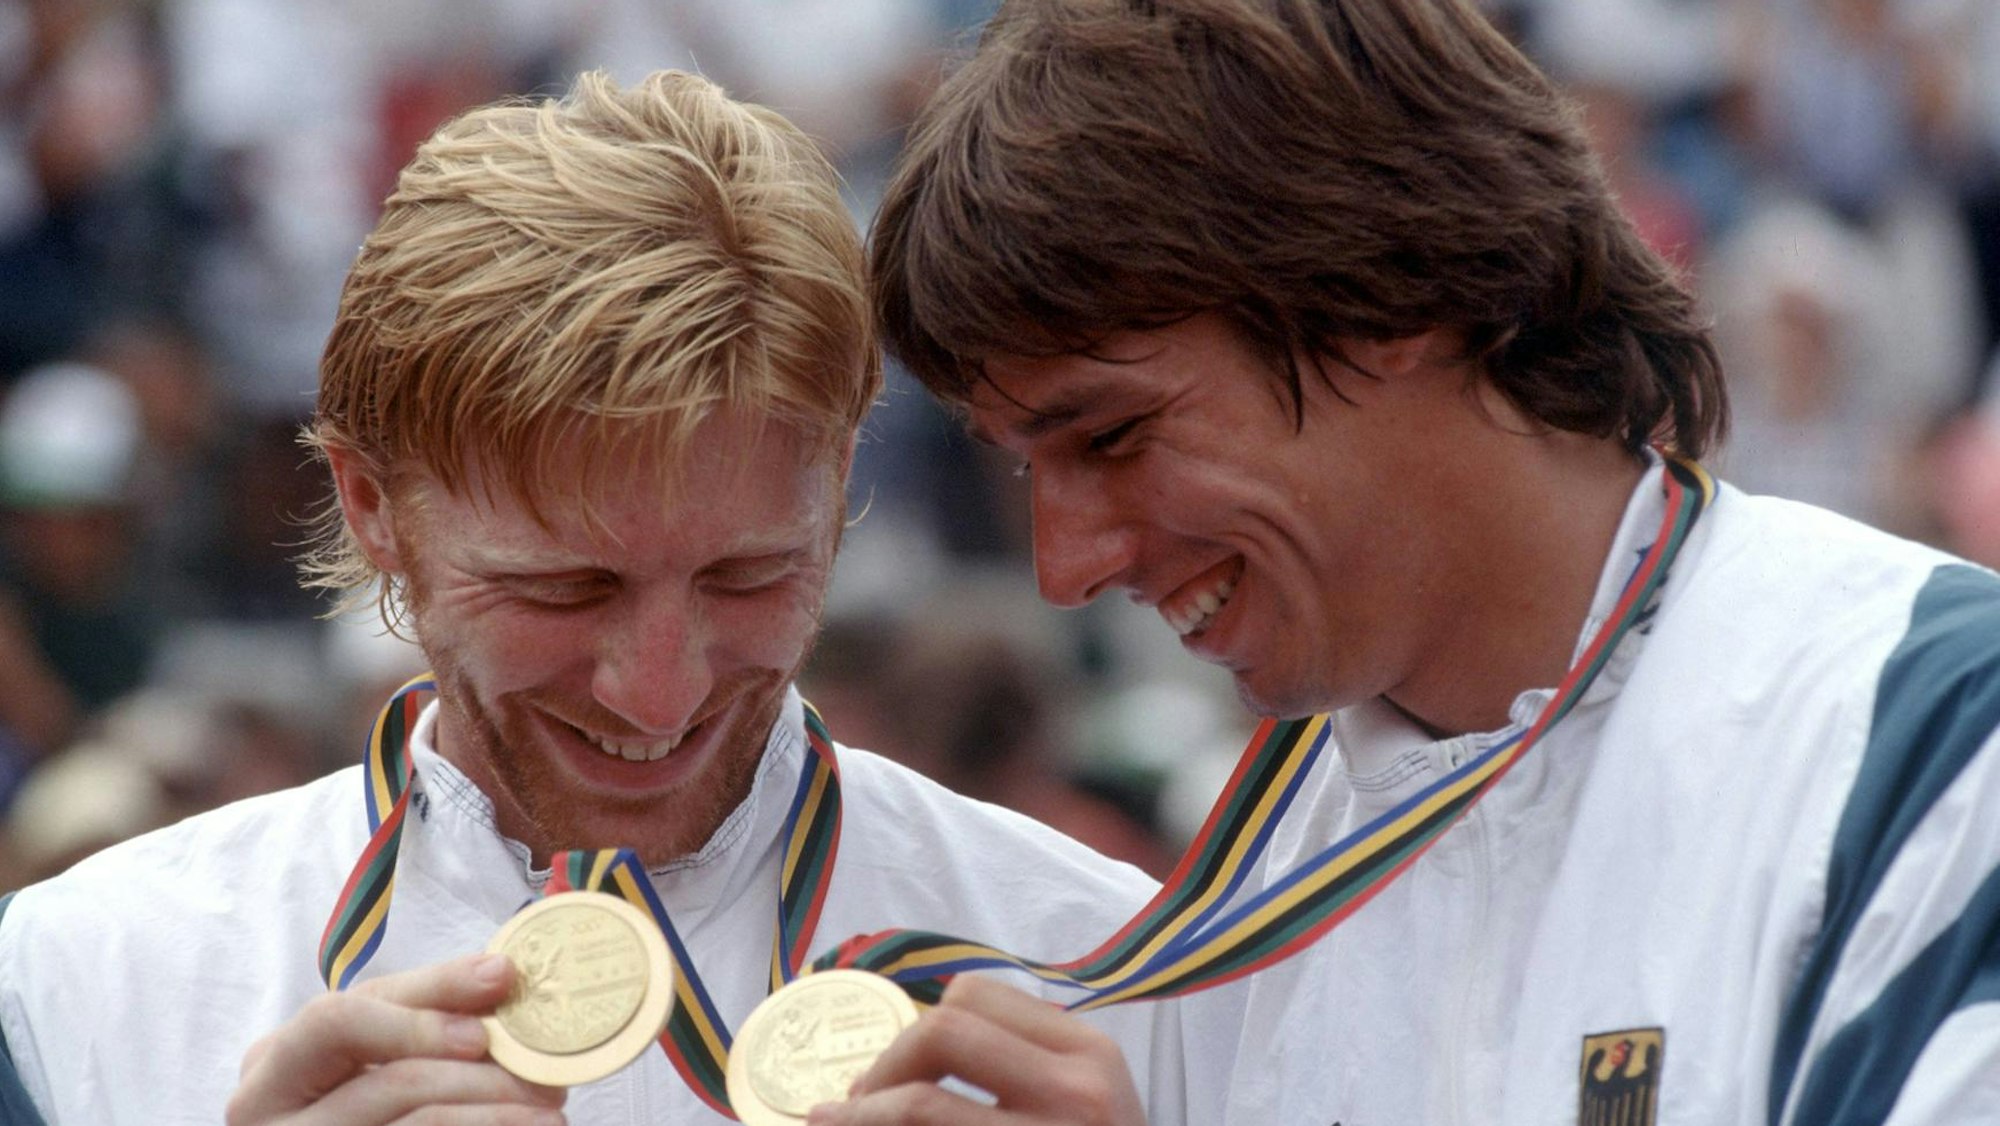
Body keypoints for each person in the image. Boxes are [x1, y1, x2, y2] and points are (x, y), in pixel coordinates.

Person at [834, 0, 2000, 1123]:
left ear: (1384, 296)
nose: (1064, 567)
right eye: (1031, 468)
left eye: (1112, 435)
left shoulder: (1926, 733)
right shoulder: (1233, 909)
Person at [0, 70, 1202, 1125]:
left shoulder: (1114, 969)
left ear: (837, 487)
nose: (658, 687)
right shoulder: (80, 983)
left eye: (747, 574)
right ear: (371, 506)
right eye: (565, 588)